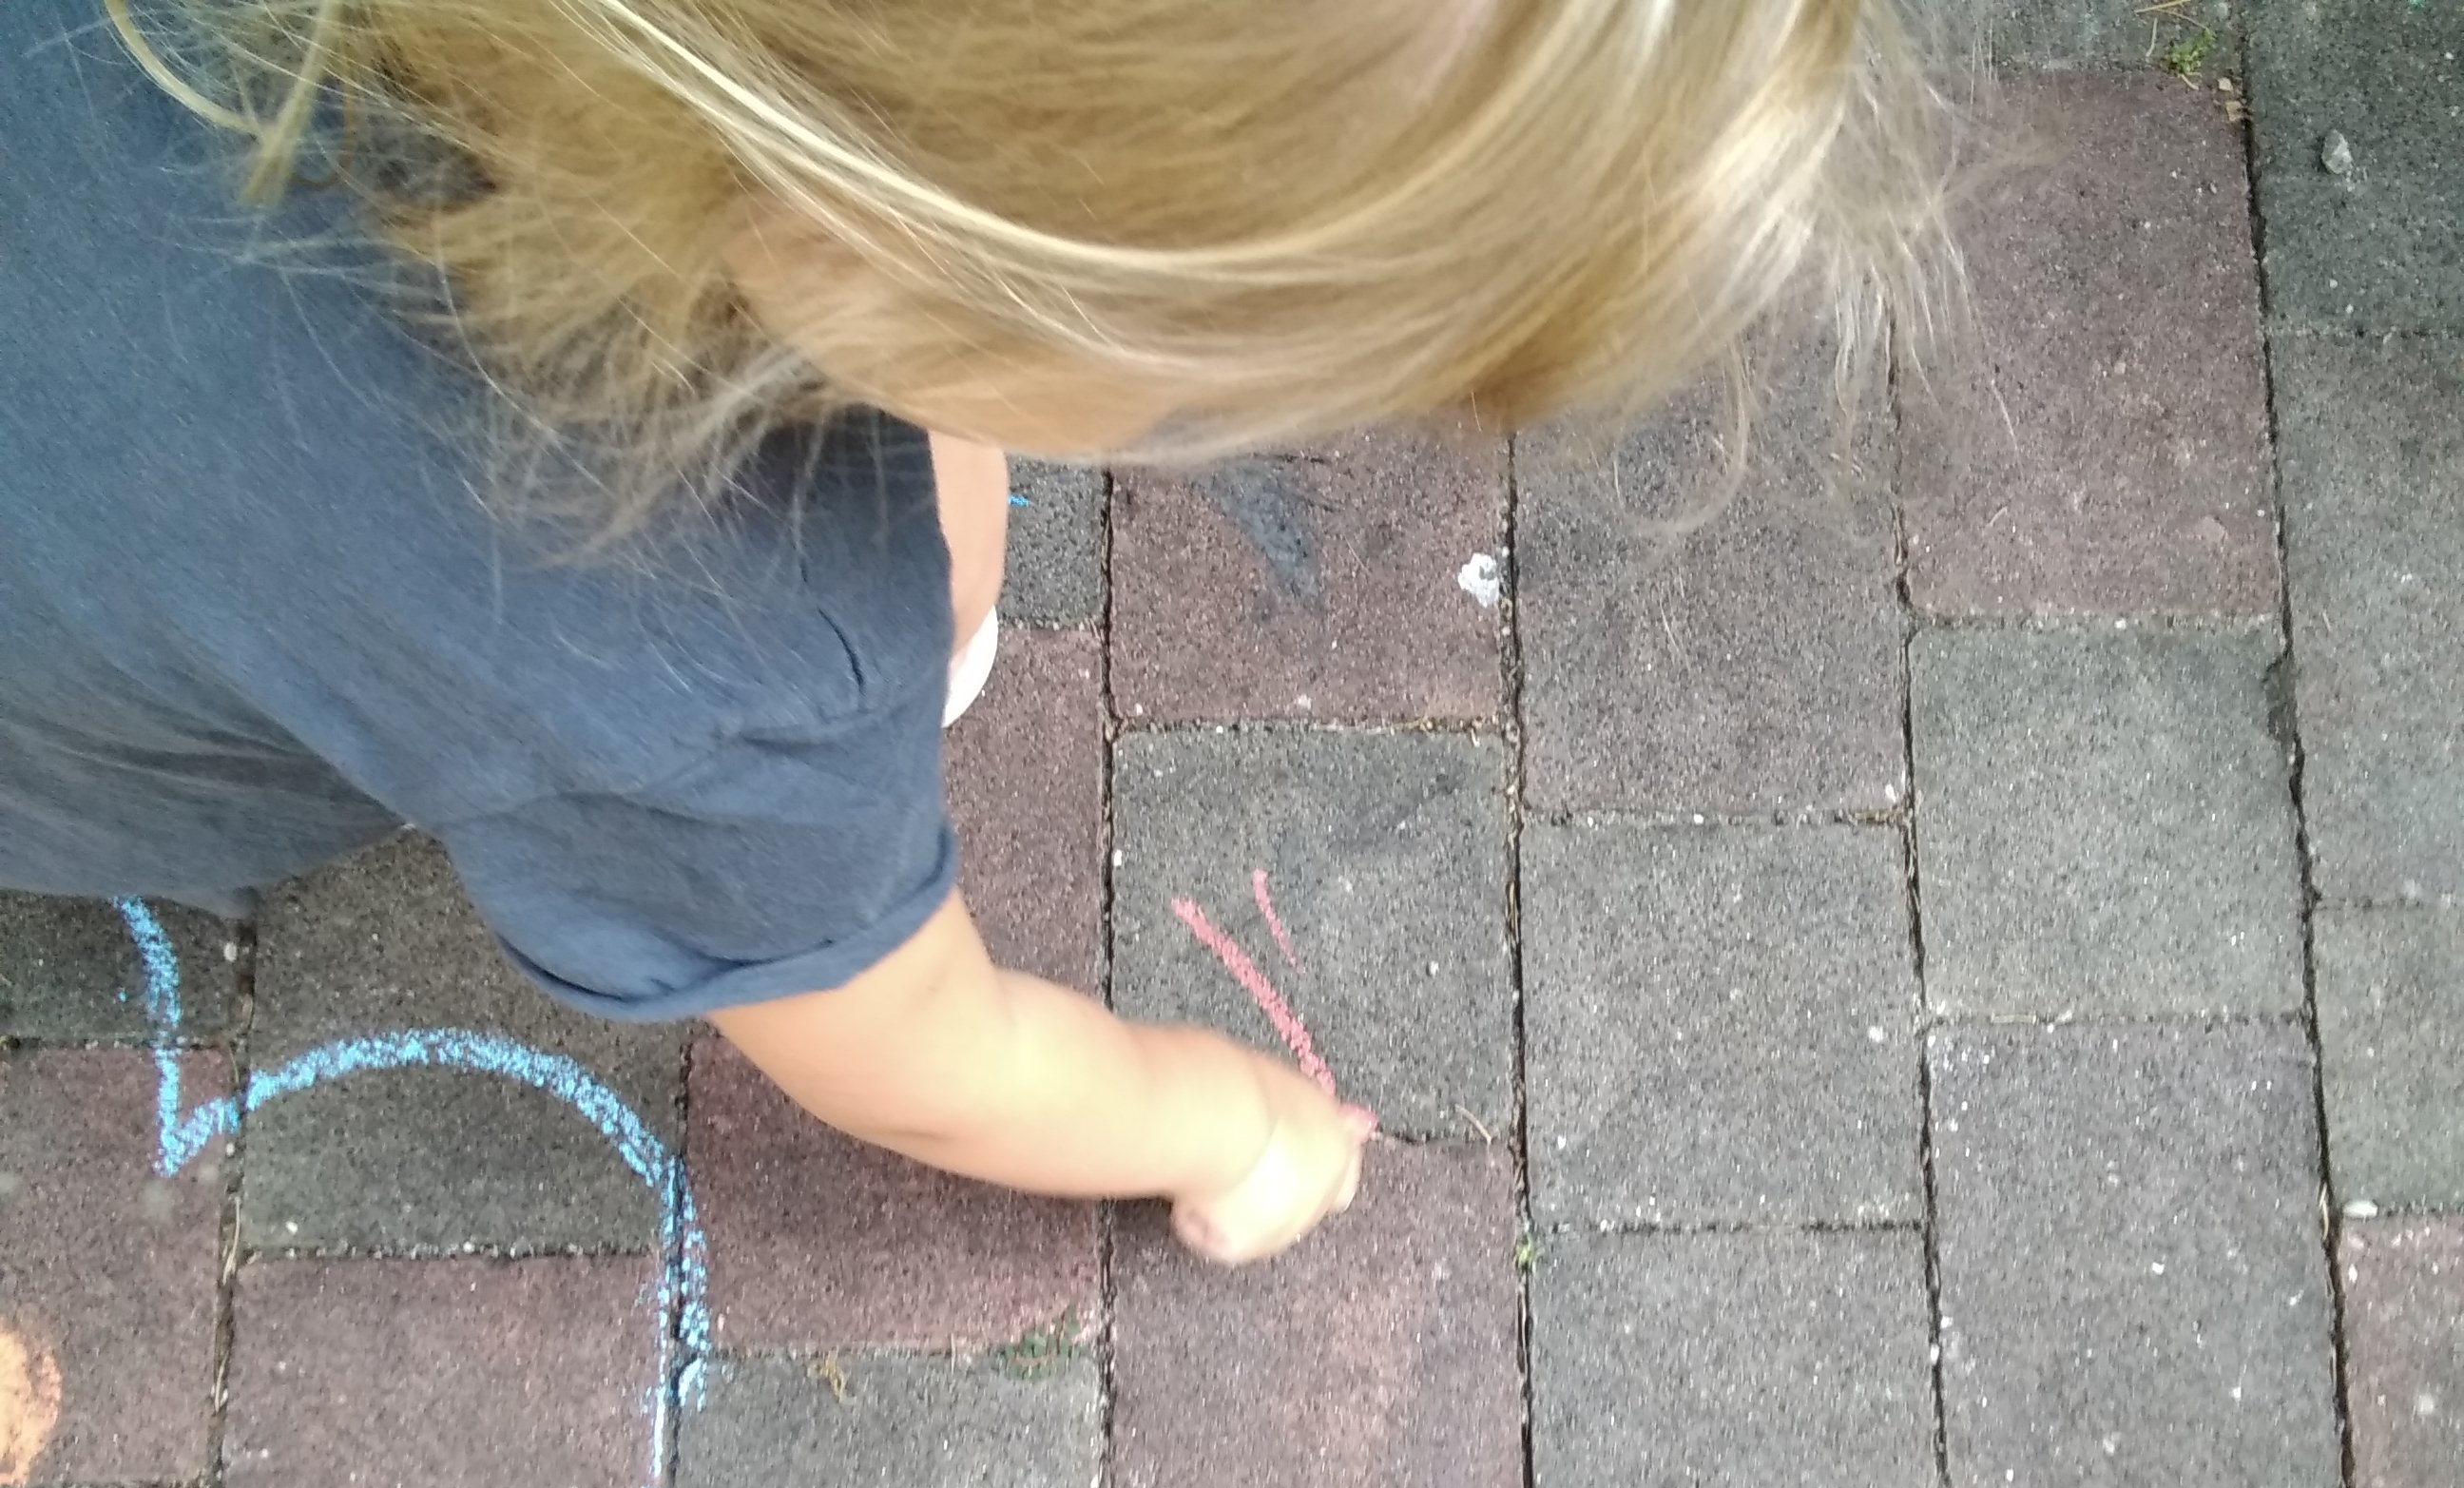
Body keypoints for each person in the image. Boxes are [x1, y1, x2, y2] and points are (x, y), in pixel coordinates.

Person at [1, 0, 1951, 1264]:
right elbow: (919, 1058)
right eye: (1202, 395)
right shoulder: (712, 652)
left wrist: (951, 499)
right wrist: (1223, 1126)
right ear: (898, 250)